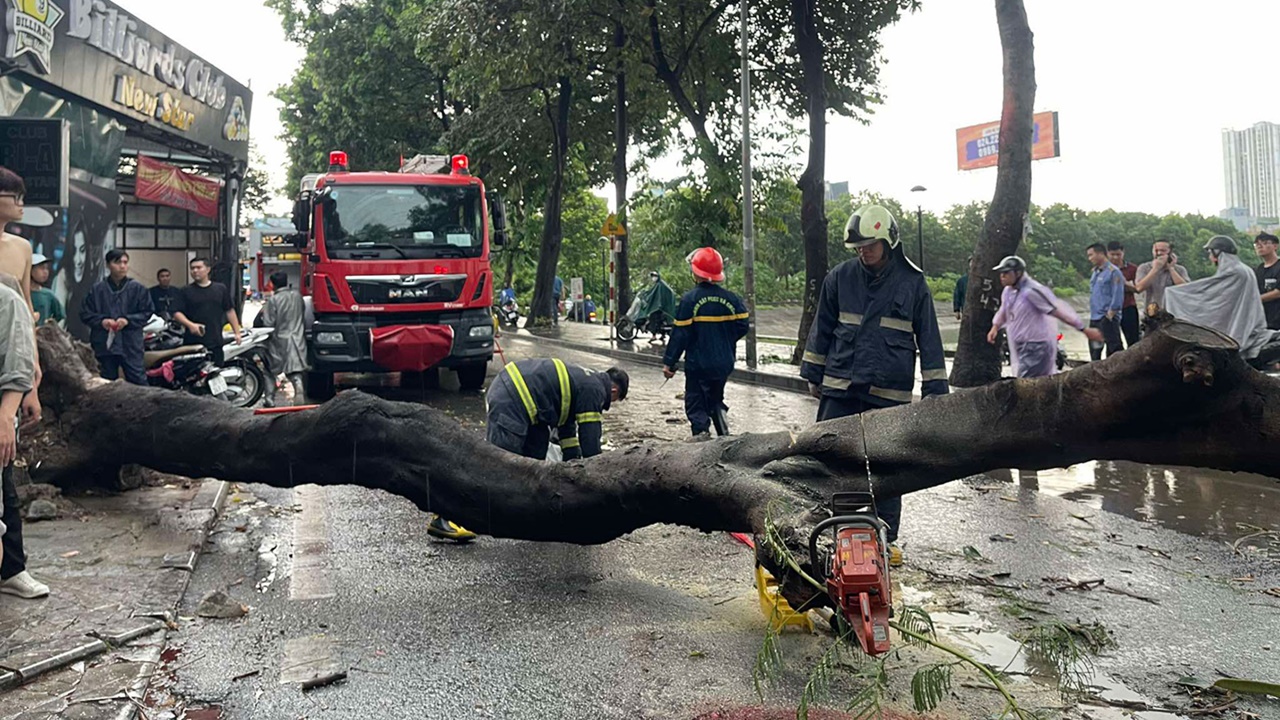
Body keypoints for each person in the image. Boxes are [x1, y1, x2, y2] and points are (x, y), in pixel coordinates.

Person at [799, 204, 948, 566]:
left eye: (870, 246)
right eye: (859, 248)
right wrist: (813, 374)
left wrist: (935, 393)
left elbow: (929, 338)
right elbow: (823, 328)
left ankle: (885, 536)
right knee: (832, 459)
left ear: (888, 241)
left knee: (888, 464)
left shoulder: (913, 283)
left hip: (888, 390)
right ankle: (832, 530)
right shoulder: (841, 276)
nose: (864, 252)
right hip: (840, 383)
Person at [426, 359, 630, 542]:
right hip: (514, 400)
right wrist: (598, 480)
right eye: (613, 402)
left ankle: (524, 516)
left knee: (533, 468)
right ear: (614, 392)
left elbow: (568, 432)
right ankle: (446, 516)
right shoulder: (595, 389)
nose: (606, 406)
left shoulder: (585, 380)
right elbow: (590, 441)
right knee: (495, 466)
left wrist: (572, 466)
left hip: (530, 409)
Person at [662, 247, 749, 440]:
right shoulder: (732, 299)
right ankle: (725, 437)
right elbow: (743, 325)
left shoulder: (689, 300)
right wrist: (723, 340)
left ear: (695, 272)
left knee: (696, 404)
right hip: (723, 363)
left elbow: (680, 335)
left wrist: (670, 362)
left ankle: (701, 443)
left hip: (698, 365)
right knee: (716, 399)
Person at [0, 271, 47, 599]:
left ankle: (13, 569)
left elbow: (18, 355)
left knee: (5, 490)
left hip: (3, 401)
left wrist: (7, 413)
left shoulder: (7, 290)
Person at [1165, 236, 1280, 368]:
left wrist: (1175, 294)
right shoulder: (1243, 269)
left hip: (1246, 328)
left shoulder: (1234, 272)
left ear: (1217, 252)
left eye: (1210, 252)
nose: (1209, 256)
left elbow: (1209, 293)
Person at [986, 256, 1102, 377]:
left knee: (1028, 380)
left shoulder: (1031, 292)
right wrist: (995, 327)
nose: (1002, 276)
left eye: (1006, 273)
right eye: (1001, 273)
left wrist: (1082, 329)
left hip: (1036, 345)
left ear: (1018, 273)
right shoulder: (1008, 292)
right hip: (1020, 344)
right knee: (1031, 382)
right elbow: (1004, 310)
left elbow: (1057, 311)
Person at [0, 167, 43, 429]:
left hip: (11, 363)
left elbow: (26, 310)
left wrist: (33, 369)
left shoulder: (22, 247)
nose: (21, 204)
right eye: (15, 196)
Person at [79, 250, 153, 385]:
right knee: (106, 383)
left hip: (130, 344)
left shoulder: (138, 289)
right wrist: (102, 321)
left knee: (138, 381)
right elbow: (85, 313)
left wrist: (128, 320)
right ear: (108, 265)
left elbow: (147, 312)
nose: (122, 266)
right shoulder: (97, 289)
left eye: (125, 262)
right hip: (104, 345)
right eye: (117, 262)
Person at [174, 257, 242, 364]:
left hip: (215, 341)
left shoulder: (220, 289)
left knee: (216, 373)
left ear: (208, 269)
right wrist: (191, 325)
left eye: (199, 267)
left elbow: (229, 311)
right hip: (192, 343)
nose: (195, 271)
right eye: (192, 268)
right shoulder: (185, 291)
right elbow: (177, 313)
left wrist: (237, 332)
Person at [259, 272, 307, 407]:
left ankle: (269, 398)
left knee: (269, 370)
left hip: (279, 340)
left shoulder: (274, 300)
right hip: (297, 338)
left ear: (273, 284)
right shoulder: (298, 297)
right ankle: (298, 387)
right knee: (295, 370)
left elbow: (268, 323)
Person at [1086, 242, 1124, 360]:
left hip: (1107, 317)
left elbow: (1117, 294)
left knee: (1113, 350)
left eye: (1091, 255)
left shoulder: (1113, 271)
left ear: (1100, 254)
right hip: (1094, 317)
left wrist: (1111, 314)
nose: (1090, 258)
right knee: (1094, 350)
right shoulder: (1095, 272)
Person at [1134, 239, 1189, 318]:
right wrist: (1155, 269)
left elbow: (1185, 289)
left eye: (1163, 250)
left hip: (1174, 314)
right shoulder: (1144, 268)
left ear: (1170, 252)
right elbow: (1139, 288)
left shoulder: (1180, 270)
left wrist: (1171, 269)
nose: (1159, 253)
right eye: (1156, 250)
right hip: (1151, 313)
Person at [1107, 241, 1140, 347]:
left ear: (1123, 253)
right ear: (1107, 253)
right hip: (1109, 309)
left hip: (1128, 307)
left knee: (1133, 340)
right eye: (1112, 255)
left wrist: (1121, 282)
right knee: (1112, 342)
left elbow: (1138, 288)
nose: (1115, 257)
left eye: (1118, 254)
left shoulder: (1133, 269)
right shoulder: (1103, 269)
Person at [1254, 232, 1280, 331]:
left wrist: (1254, 300)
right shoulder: (1258, 270)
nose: (1260, 246)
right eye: (1257, 244)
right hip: (1264, 322)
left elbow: (1278, 293)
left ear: (1275, 246)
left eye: (1264, 243)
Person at [29, 253, 63, 327]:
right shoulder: (20, 293)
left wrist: (49, 325)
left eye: (46, 268)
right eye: (41, 268)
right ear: (30, 269)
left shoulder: (48, 295)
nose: (45, 272)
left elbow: (60, 315)